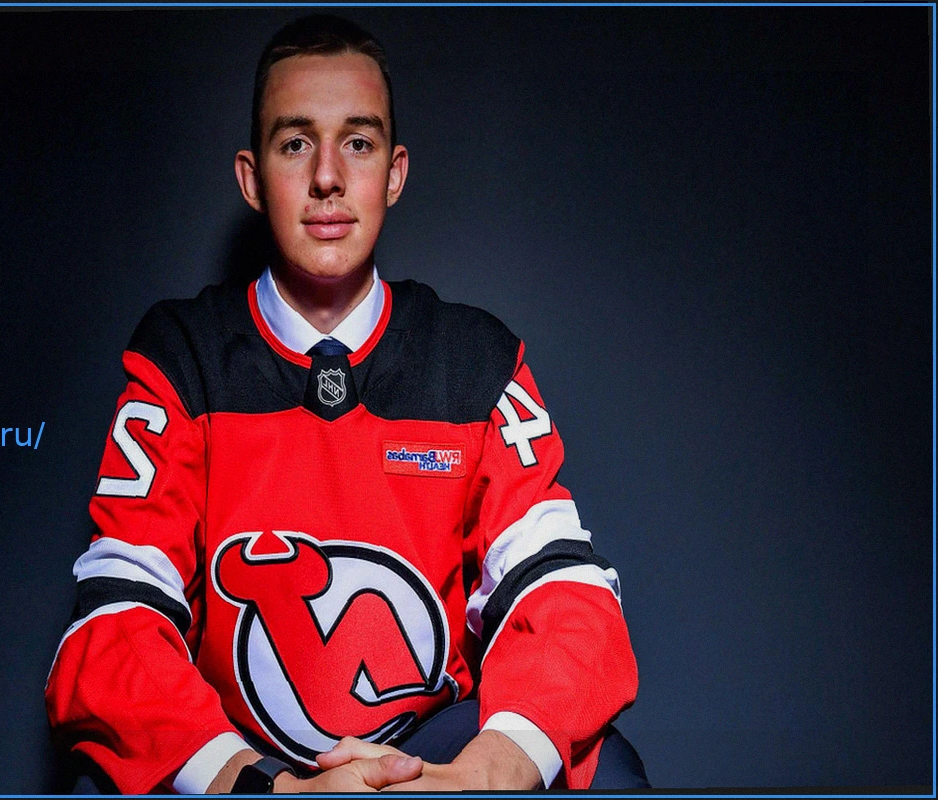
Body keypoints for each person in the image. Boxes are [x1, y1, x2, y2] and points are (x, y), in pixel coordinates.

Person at [45, 14, 647, 793]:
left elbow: (566, 593)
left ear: (394, 173)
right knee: (102, 779)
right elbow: (114, 623)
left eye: (357, 143)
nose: (327, 176)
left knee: (605, 770)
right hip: (245, 757)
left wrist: (478, 776)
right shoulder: (183, 358)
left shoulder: (474, 360)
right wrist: (263, 788)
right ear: (251, 178)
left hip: (434, 753)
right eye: (296, 144)